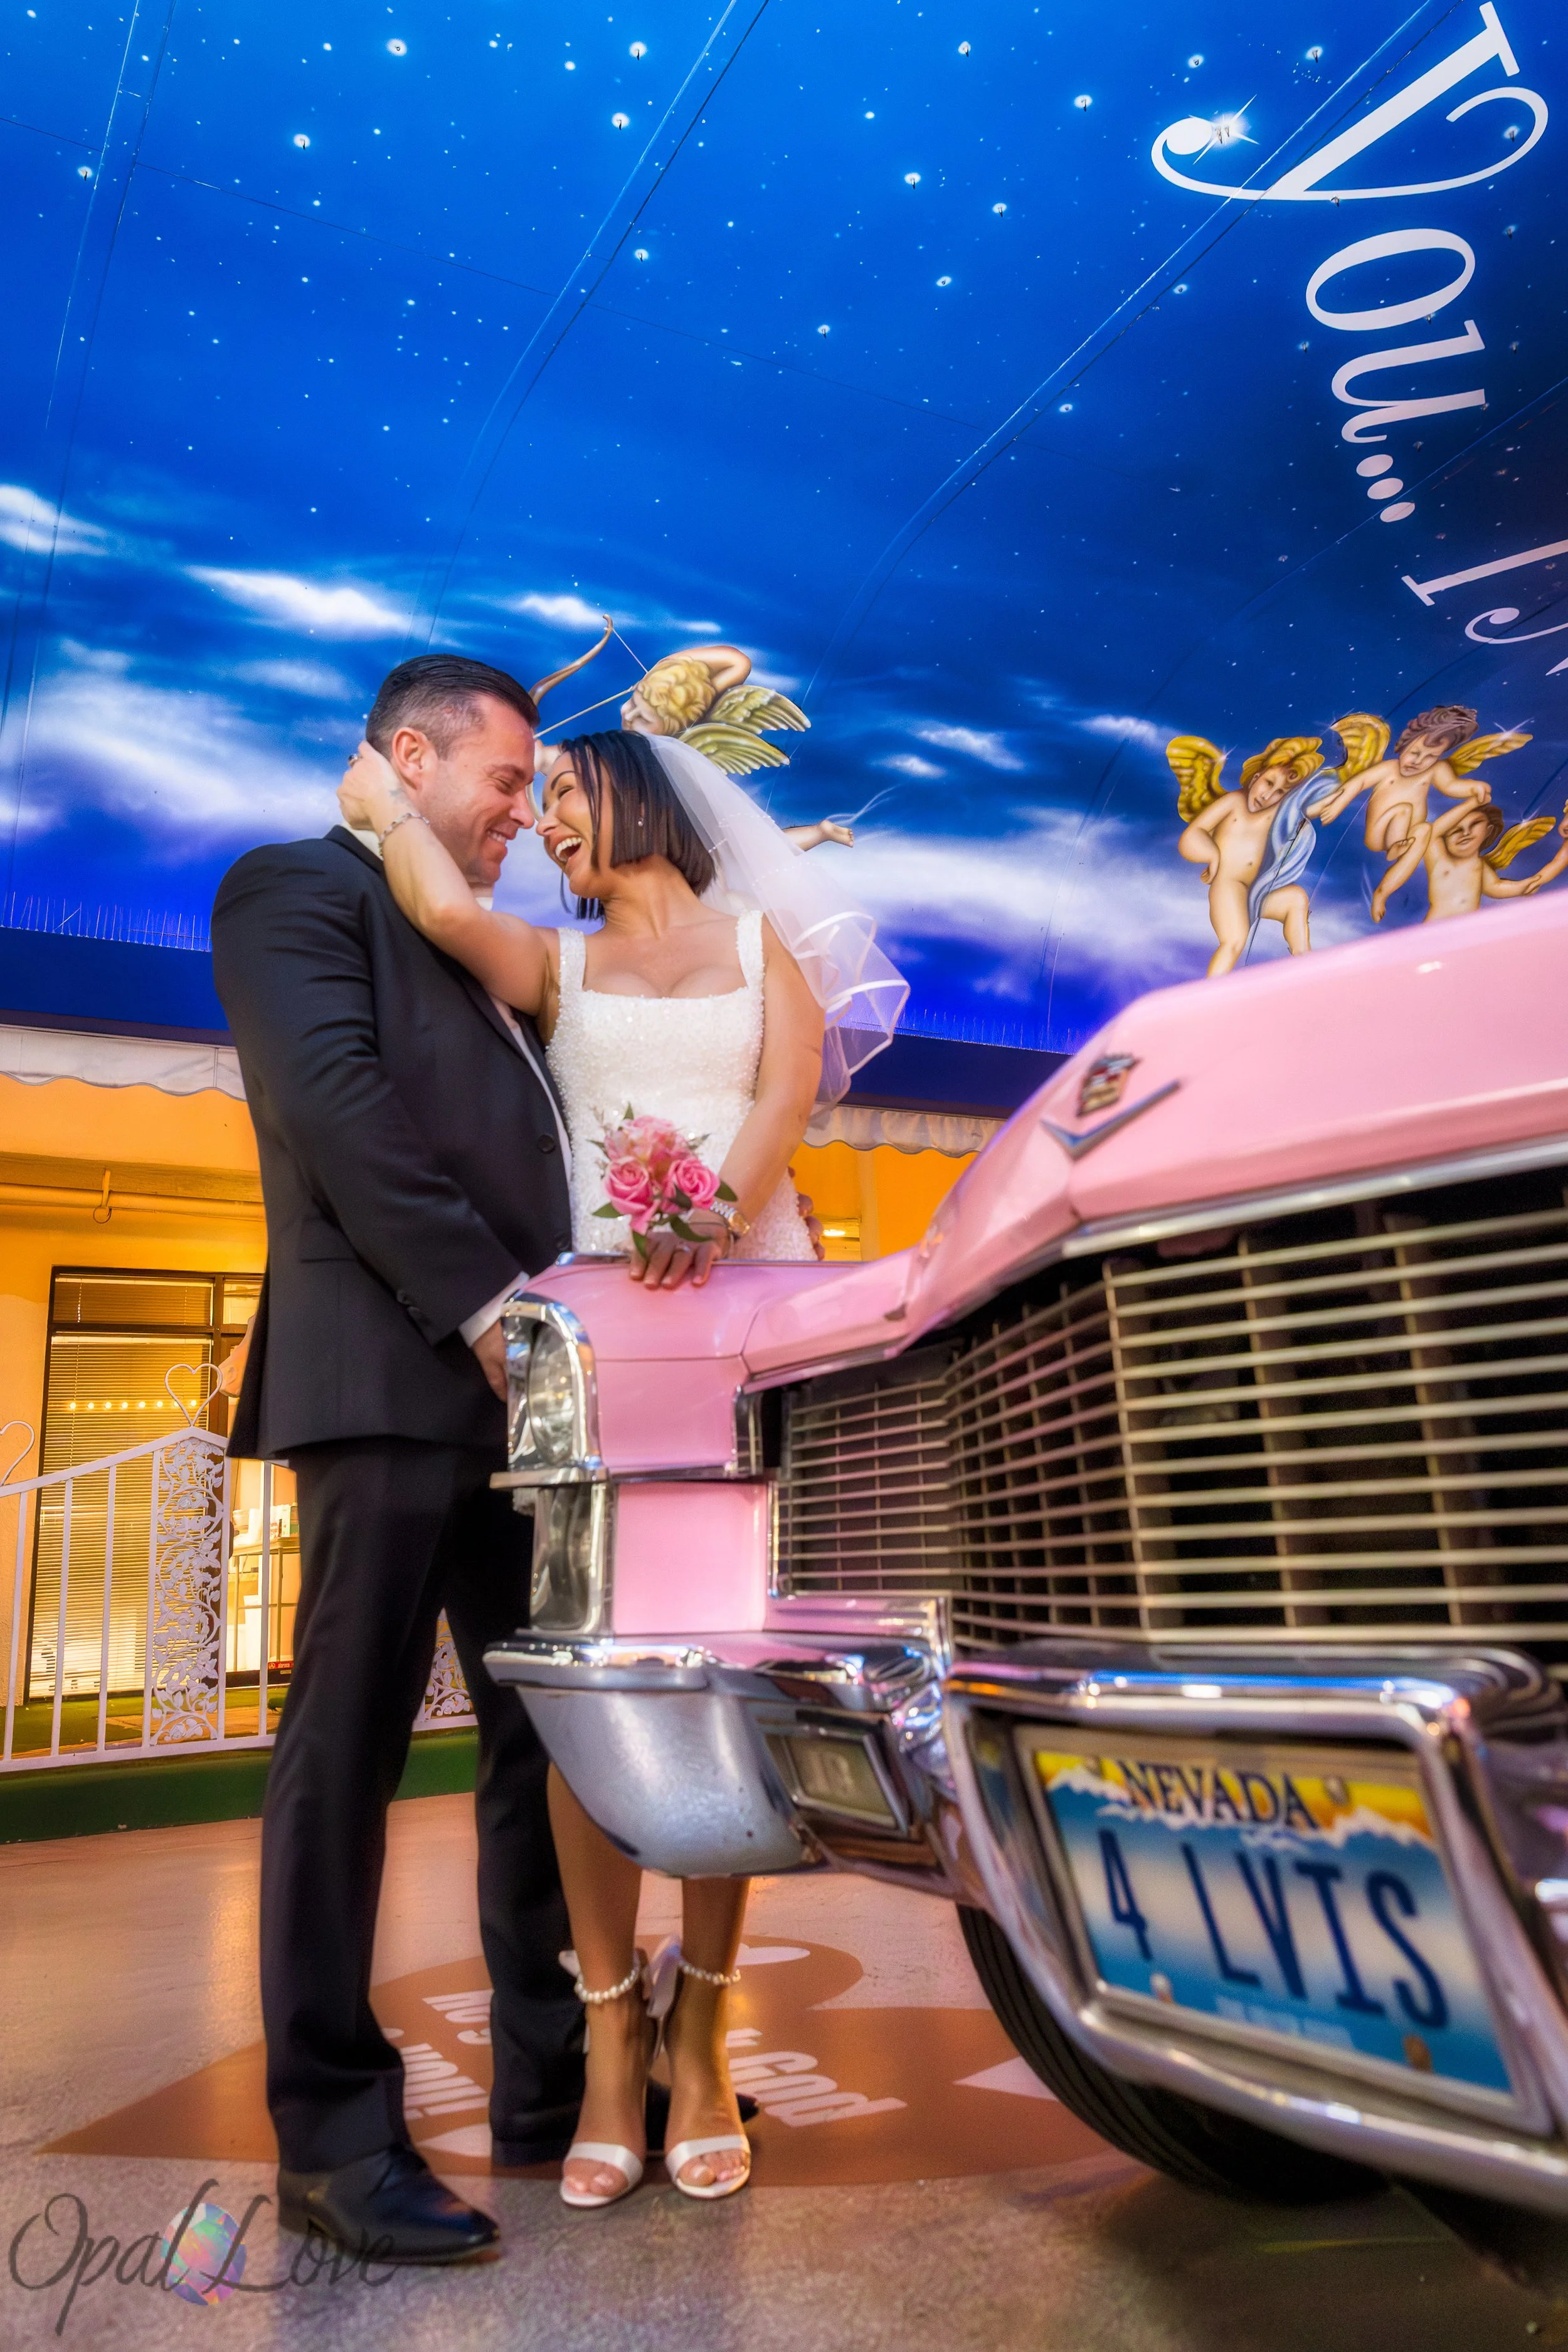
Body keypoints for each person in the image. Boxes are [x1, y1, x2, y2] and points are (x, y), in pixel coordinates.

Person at [337, 721, 906, 2207]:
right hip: (595, 1346)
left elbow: (783, 1098)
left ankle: (703, 2028)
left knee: (723, 1680)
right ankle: (609, 2043)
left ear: (642, 795)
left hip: (744, 1320)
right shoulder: (553, 960)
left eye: (570, 795)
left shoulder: (761, 938)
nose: (549, 828)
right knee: (596, 1682)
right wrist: (386, 798)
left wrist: (715, 1205)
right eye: (539, 807)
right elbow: (444, 908)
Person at [212, 653, 591, 2265]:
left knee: (543, 1752)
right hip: (386, 1378)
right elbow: (341, 1113)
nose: (528, 813)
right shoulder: (288, 889)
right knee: (343, 1755)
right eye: (506, 781)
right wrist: (499, 1317)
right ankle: (334, 2128)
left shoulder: (482, 950)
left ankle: (553, 2087)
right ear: (409, 755)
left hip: (522, 1402)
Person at [1175, 737, 1342, 975]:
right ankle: (1211, 994)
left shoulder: (1280, 814)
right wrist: (1213, 856)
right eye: (1268, 783)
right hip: (1230, 885)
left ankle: (1305, 962)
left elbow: (1311, 806)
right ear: (1256, 778)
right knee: (1234, 939)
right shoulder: (1234, 803)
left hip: (1258, 890)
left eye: (1280, 792)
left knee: (1296, 898)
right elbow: (1192, 836)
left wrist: (1341, 788)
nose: (1268, 795)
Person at [1372, 797, 1568, 922]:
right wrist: (1471, 804)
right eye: (1456, 829)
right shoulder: (1440, 858)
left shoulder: (1479, 866)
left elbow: (1495, 888)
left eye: (1474, 825)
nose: (1465, 833)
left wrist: (1523, 887)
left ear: (1488, 831)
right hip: (1437, 928)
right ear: (1445, 836)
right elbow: (1431, 832)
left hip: (1467, 930)